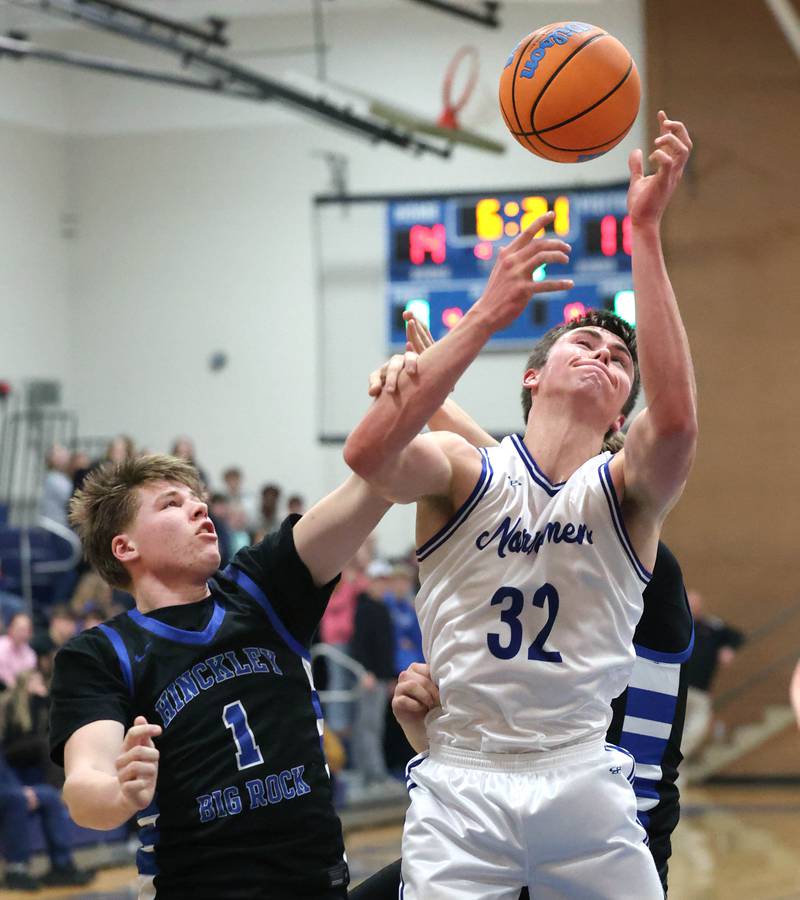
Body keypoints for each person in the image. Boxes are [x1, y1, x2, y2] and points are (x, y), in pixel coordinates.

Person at [344, 112, 696, 898]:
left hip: (581, 781)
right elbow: (368, 456)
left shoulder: (625, 496)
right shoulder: (464, 470)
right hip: (462, 779)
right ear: (533, 377)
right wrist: (480, 323)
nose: (604, 356)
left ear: (620, 415)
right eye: (584, 345)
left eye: (619, 360)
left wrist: (645, 233)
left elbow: (674, 425)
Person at [48, 453, 391, 898]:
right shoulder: (99, 654)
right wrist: (119, 792)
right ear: (125, 547)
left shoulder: (261, 586)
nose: (198, 508)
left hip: (317, 883)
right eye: (172, 504)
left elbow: (373, 485)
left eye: (198, 499)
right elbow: (82, 788)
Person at [0, 747, 95, 891]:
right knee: (17, 800)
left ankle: (61, 866)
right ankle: (16, 870)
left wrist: (19, 789)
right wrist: (17, 792)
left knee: (49, 796)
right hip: (7, 794)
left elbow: (4, 772)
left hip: (8, 790)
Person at [348, 560, 397, 794]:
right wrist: (365, 671)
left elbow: (386, 647)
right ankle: (373, 776)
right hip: (370, 677)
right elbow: (359, 644)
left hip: (380, 677)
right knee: (368, 727)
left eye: (385, 580)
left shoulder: (382, 608)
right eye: (379, 580)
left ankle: (373, 774)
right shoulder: (365, 608)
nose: (382, 585)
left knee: (373, 726)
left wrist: (389, 676)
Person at [681, 589, 744, 759]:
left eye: (696, 604)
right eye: (690, 603)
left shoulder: (712, 627)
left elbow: (737, 636)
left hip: (701, 690)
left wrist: (729, 649)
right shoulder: (676, 624)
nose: (694, 608)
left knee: (698, 729)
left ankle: (675, 762)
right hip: (678, 688)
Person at [0, 612, 37, 690]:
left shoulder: (30, 653)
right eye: (20, 629)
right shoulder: (1, 646)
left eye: (26, 630)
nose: (22, 633)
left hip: (22, 691)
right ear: (10, 628)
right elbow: (5, 680)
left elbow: (30, 678)